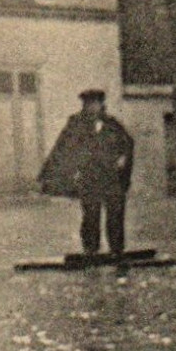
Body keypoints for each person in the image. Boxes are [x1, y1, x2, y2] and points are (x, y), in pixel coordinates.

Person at [40, 89, 135, 257]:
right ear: (84, 105)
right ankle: (90, 250)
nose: (92, 107)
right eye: (88, 104)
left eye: (95, 104)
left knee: (115, 213)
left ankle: (116, 249)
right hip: (89, 176)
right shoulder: (76, 124)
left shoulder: (113, 124)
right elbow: (63, 147)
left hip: (111, 177)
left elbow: (127, 143)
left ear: (101, 105)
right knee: (91, 214)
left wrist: (123, 158)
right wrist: (69, 171)